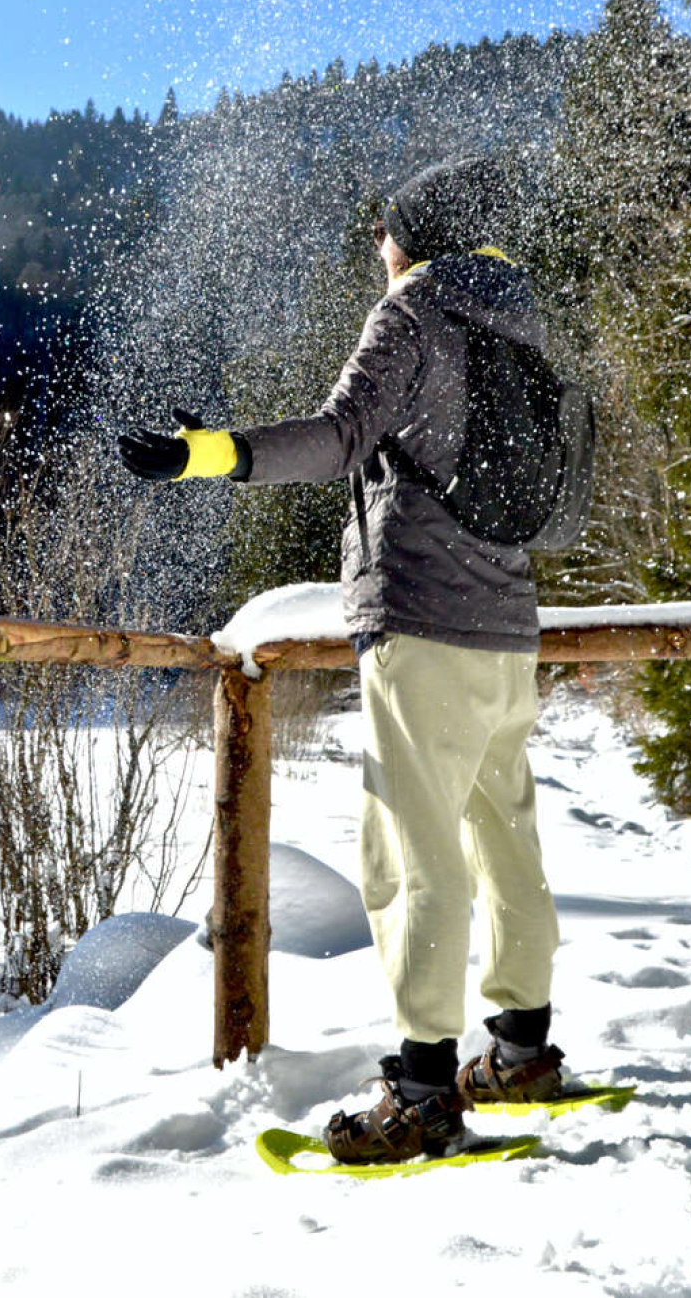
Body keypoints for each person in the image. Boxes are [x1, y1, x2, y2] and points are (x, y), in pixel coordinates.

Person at [118, 155, 566, 1164]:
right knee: (503, 831)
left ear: (413, 238)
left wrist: (210, 451)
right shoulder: (518, 319)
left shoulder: (414, 315)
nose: (378, 248)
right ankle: (522, 1048)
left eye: (385, 232)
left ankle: (420, 1091)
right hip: (508, 625)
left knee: (412, 853)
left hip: (424, 621)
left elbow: (336, 437)